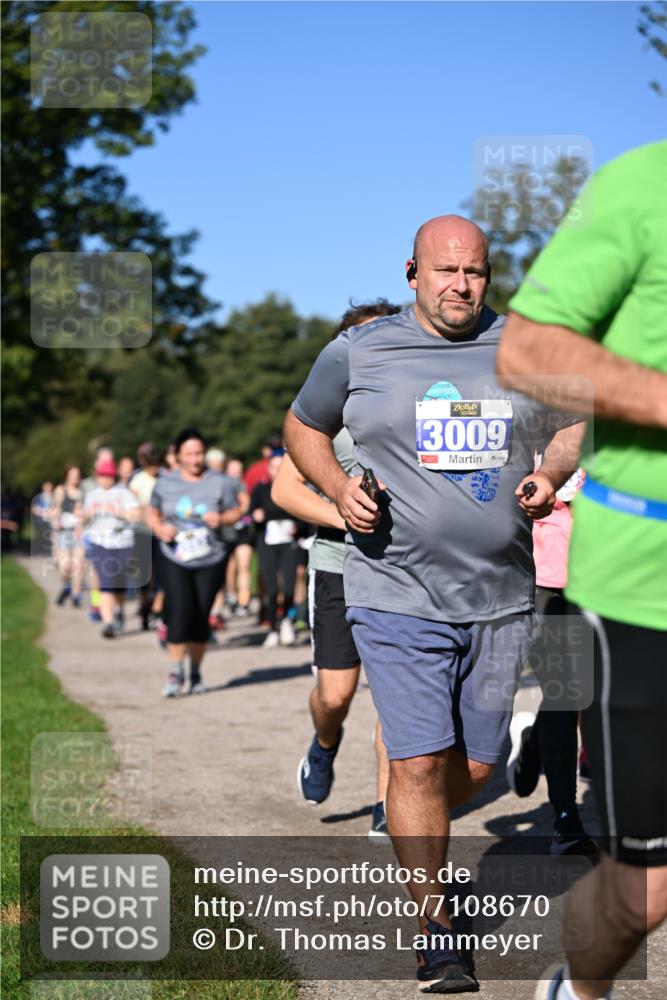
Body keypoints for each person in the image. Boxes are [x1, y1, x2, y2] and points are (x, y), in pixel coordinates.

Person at [285, 214, 585, 993]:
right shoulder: (359, 348)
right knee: (416, 761)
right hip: (393, 588)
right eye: (445, 271)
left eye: (475, 273)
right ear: (412, 273)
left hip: (498, 596)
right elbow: (302, 427)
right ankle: (435, 927)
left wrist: (549, 474)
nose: (460, 286)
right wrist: (337, 487)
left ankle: (425, 825)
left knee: (472, 766)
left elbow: (574, 421)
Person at [495, 140, 667, 1000]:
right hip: (641, 589)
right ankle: (580, 988)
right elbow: (528, 351)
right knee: (645, 887)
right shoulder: (640, 186)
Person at [272, 300, 401, 839]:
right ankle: (324, 746)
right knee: (336, 695)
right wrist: (346, 518)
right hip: (336, 563)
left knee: (401, 694)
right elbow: (284, 489)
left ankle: (386, 804)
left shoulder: (412, 404)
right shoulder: (323, 414)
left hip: (402, 568)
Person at [505, 466, 597, 857]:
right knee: (566, 693)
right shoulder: (534, 415)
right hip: (546, 574)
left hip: (611, 574)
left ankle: (531, 742)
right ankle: (565, 820)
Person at [147, 428, 245, 696]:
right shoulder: (165, 482)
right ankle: (175, 671)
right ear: (177, 456)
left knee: (201, 616)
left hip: (211, 556)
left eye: (199, 453)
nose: (195, 459)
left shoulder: (220, 482)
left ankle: (196, 671)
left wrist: (222, 519)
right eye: (189, 454)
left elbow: (237, 510)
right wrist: (159, 528)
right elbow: (152, 511)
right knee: (180, 612)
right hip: (174, 555)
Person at [81, 458, 140, 638]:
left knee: (118, 584)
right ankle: (108, 624)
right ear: (97, 477)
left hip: (123, 543)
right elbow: (83, 520)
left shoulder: (124, 494)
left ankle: (119, 610)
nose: (105, 479)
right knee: (106, 583)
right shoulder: (92, 495)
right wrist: (88, 514)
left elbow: (136, 516)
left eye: (108, 476)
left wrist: (117, 511)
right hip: (100, 543)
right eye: (102, 476)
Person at [249, 450, 302, 649]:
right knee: (271, 588)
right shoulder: (260, 490)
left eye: (281, 466)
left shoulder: (294, 489)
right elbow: (249, 515)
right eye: (273, 466)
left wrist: (299, 527)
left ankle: (287, 620)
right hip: (267, 543)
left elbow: (303, 515)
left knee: (289, 587)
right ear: (268, 469)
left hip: (289, 543)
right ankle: (272, 628)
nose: (276, 470)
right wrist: (256, 516)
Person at [130, 443, 165, 630]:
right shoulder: (138, 481)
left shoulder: (165, 478)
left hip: (161, 533)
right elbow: (133, 507)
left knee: (161, 575)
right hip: (142, 532)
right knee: (144, 574)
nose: (154, 469)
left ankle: (158, 610)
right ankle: (145, 606)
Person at [52, 466, 84, 607]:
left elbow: (85, 512)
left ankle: (76, 596)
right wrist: (56, 521)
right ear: (67, 476)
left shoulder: (83, 492)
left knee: (78, 565)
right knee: (65, 567)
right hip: (63, 532)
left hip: (78, 532)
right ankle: (67, 587)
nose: (74, 478)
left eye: (77, 475)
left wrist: (81, 525)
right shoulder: (61, 490)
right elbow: (55, 509)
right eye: (72, 475)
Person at [31, 480, 55, 556]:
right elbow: (34, 508)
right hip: (41, 521)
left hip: (51, 520)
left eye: (50, 487)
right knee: (41, 536)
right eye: (47, 487)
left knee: (52, 536)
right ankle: (41, 550)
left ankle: (52, 552)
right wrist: (42, 513)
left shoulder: (54, 497)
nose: (48, 488)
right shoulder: (38, 497)